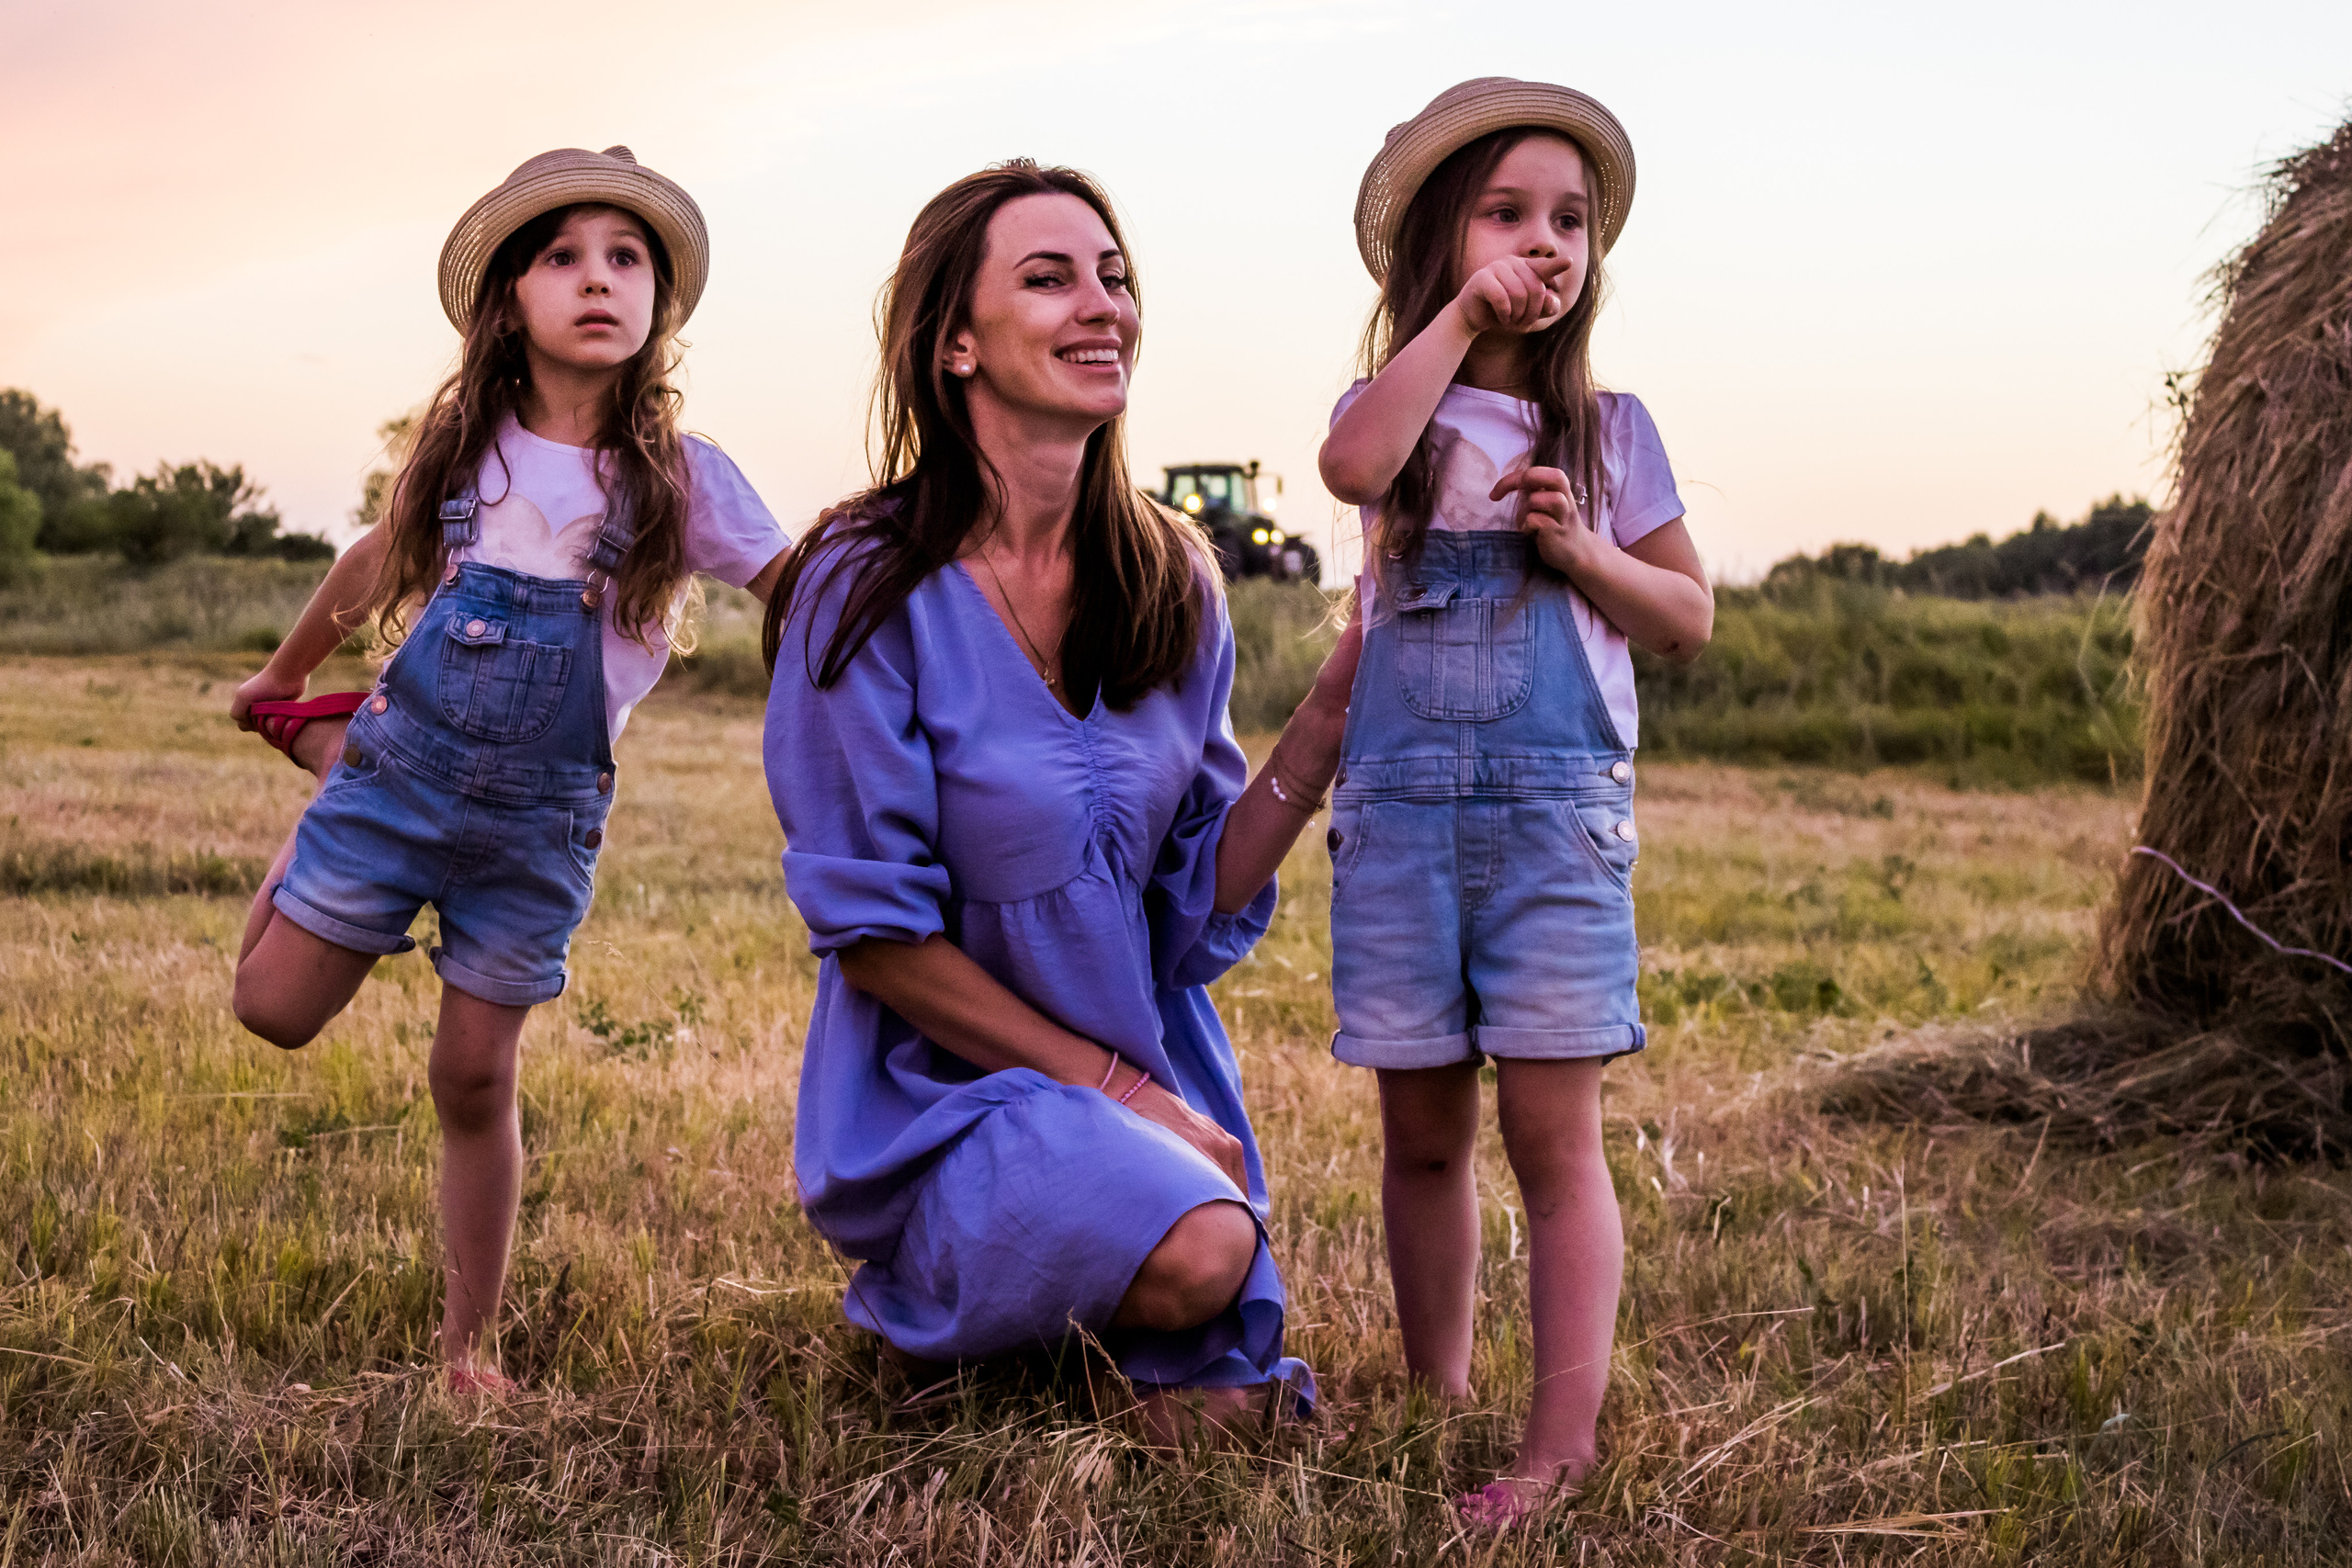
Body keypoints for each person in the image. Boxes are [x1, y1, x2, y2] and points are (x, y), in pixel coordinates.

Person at [761, 160, 1359, 1436]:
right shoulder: (863, 587)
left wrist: (1323, 728)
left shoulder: (1171, 576)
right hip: (949, 1096)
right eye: (1050, 279)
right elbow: (874, 937)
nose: (1103, 305)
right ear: (954, 344)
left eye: (1115, 276)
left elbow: (1186, 912)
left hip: (1130, 1084)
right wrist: (1120, 1093)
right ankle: (931, 1301)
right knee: (1202, 1255)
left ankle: (1059, 1345)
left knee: (1213, 1299)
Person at [226, 147, 788, 1391]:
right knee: (269, 1012)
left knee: (473, 1074)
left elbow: (800, 593)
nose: (600, 280)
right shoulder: (465, 452)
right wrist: (279, 679)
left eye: (627, 259)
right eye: (565, 257)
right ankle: (332, 780)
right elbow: (373, 564)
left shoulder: (684, 480)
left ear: (658, 305)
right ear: (508, 303)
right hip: (398, 782)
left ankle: (467, 1345)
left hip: (540, 826)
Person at [1317, 79, 1713, 1523]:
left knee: (1555, 1141)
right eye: (1507, 214)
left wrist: (1587, 555)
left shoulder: (1610, 430)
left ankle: (1560, 1448)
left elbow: (1686, 617)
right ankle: (1440, 1398)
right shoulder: (1404, 415)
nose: (1545, 243)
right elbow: (1349, 462)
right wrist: (1457, 322)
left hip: (1556, 825)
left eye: (1571, 220)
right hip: (1405, 821)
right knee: (1421, 1135)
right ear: (1439, 241)